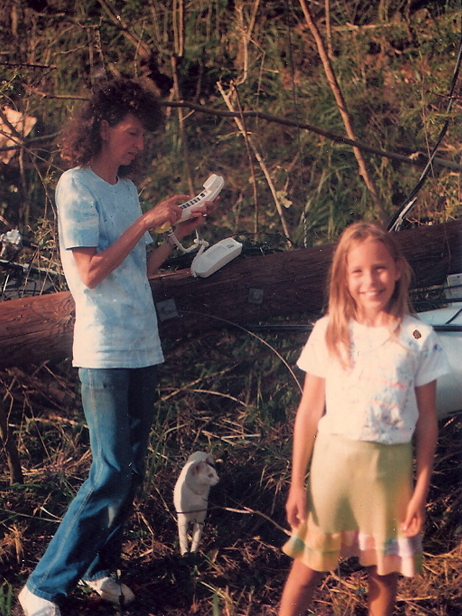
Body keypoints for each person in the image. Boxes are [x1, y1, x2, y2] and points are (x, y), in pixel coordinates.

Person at [19, 78, 216, 616]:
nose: (140, 144)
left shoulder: (125, 191)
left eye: (143, 135)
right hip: (104, 349)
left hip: (141, 344)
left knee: (130, 468)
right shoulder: (75, 185)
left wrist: (177, 232)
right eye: (132, 133)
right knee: (108, 473)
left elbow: (138, 269)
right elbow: (89, 273)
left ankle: (101, 569)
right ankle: (42, 587)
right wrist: (148, 220)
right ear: (103, 128)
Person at [279, 221, 450, 616]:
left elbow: (427, 421)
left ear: (398, 269)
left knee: (383, 574)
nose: (370, 281)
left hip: (388, 473)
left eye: (379, 268)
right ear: (343, 277)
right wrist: (296, 484)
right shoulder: (328, 332)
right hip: (331, 470)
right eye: (357, 271)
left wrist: (420, 489)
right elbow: (308, 412)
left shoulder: (419, 337)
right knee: (307, 568)